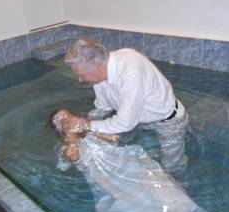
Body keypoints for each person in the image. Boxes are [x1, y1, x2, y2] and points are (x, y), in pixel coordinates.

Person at [49, 107, 211, 212]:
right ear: (58, 129)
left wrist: (89, 127)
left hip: (127, 165)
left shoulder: (93, 128)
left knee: (160, 194)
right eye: (62, 120)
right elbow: (73, 157)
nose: (68, 120)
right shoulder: (63, 146)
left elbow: (115, 138)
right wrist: (71, 134)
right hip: (106, 179)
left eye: (69, 115)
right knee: (131, 211)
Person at [64, 37, 190, 174]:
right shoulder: (100, 74)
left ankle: (182, 183)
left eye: (82, 75)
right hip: (140, 120)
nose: (80, 80)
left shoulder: (132, 72)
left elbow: (125, 123)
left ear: (97, 64)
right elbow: (102, 107)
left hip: (168, 121)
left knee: (172, 165)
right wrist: (83, 123)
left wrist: (88, 125)